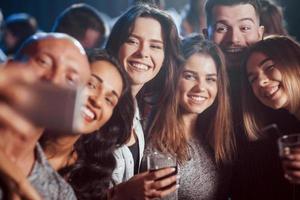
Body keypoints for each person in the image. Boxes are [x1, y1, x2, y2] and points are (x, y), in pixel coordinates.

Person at [0, 32, 91, 199]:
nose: (54, 79)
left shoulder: (59, 194)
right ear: (10, 66)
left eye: (70, 78)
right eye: (43, 62)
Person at [106, 4, 182, 199]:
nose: (143, 53)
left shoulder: (137, 113)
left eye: (155, 46)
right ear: (116, 45)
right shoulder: (95, 108)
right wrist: (119, 194)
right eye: (132, 41)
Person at [146, 34, 235, 200]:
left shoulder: (210, 134)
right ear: (173, 78)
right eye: (189, 76)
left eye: (210, 79)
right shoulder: (160, 149)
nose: (201, 87)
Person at [40, 49, 134, 200]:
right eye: (91, 84)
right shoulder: (17, 134)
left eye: (109, 100)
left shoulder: (93, 173)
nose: (97, 101)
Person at [238, 35, 300, 199]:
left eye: (269, 67)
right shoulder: (286, 126)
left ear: (294, 62)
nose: (261, 82)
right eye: (253, 79)